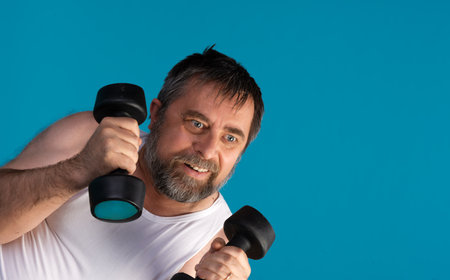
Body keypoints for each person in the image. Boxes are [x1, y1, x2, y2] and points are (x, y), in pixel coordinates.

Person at [0, 46, 264, 280]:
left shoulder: (214, 245)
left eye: (230, 138)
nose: (207, 150)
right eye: (196, 124)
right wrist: (80, 169)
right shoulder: (91, 136)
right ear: (157, 114)